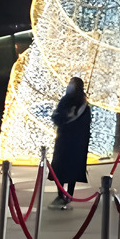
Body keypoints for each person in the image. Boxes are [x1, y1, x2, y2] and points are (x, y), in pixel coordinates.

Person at [48, 77, 91, 210]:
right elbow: (56, 116)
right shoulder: (65, 101)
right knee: (59, 169)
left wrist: (69, 117)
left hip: (74, 143)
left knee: (71, 169)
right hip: (64, 141)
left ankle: (67, 195)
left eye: (72, 84)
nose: (69, 86)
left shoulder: (83, 106)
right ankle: (62, 194)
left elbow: (84, 126)